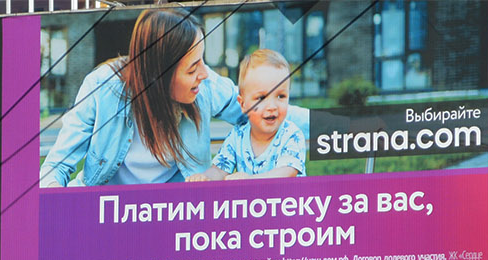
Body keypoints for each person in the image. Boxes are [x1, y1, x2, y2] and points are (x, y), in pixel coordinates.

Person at [40, 8, 244, 187]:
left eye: (202, 62)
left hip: (175, 209)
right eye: (192, 69)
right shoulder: (102, 86)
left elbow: (257, 111)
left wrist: (223, 166)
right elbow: (56, 165)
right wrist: (53, 189)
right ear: (159, 74)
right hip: (111, 209)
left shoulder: (205, 86)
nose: (204, 74)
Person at [190, 49, 307, 181]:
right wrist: (205, 178)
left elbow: (286, 172)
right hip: (254, 201)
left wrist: (250, 180)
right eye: (261, 98)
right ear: (243, 104)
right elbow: (219, 169)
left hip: (287, 201)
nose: (272, 106)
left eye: (281, 96)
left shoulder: (291, 135)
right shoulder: (238, 135)